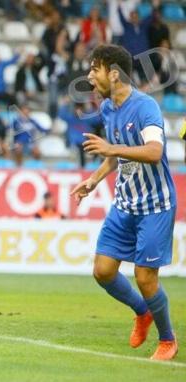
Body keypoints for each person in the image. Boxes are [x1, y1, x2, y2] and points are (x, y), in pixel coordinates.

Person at [71, 44, 178, 360]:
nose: (90, 77)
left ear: (113, 74)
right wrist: (93, 180)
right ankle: (142, 311)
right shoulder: (107, 108)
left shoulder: (146, 107)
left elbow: (153, 152)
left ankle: (168, 340)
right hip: (125, 203)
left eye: (95, 69)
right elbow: (117, 155)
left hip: (155, 206)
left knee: (145, 278)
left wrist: (111, 149)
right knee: (103, 271)